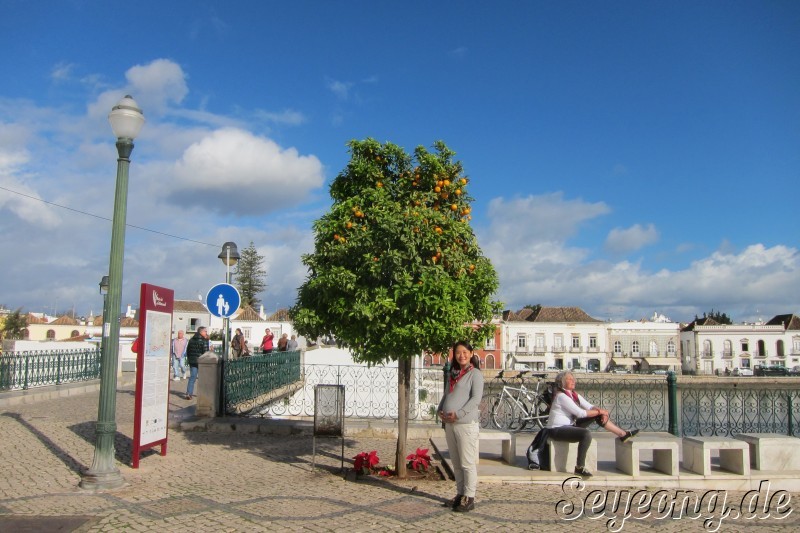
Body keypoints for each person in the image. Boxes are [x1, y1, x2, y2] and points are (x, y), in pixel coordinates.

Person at [546, 370, 639, 477]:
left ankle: (623, 434)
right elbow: (580, 413)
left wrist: (600, 412)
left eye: (573, 379)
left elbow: (590, 407)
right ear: (562, 382)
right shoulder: (561, 396)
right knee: (585, 434)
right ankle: (579, 467)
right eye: (569, 379)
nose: (573, 381)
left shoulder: (573, 395)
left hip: (570, 425)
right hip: (556, 429)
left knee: (596, 414)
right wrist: (601, 411)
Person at [437, 341, 483, 513]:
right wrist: (440, 409)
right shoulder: (453, 374)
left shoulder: (475, 374)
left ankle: (469, 497)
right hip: (450, 424)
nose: (461, 355)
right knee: (456, 462)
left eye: (465, 352)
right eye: (458, 352)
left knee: (467, 462)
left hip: (465, 424)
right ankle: (460, 493)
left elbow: (475, 400)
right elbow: (447, 394)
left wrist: (459, 414)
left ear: (471, 353)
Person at [185, 326, 209, 400]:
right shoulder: (204, 341)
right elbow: (206, 353)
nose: (206, 333)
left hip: (193, 362)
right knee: (203, 379)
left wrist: (190, 359)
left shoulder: (191, 340)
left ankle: (189, 393)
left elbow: (188, 351)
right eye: (205, 331)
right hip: (202, 362)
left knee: (192, 377)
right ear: (201, 332)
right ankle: (203, 394)